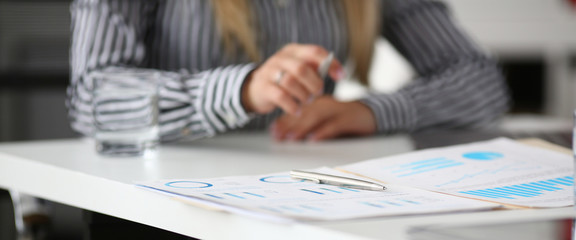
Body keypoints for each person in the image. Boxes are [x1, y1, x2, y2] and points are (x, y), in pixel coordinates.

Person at [68, 0, 509, 142]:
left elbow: (481, 81)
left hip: (310, 202)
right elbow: (92, 96)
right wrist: (241, 90)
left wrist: (374, 112)